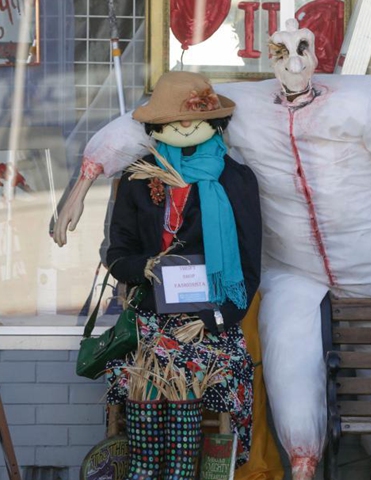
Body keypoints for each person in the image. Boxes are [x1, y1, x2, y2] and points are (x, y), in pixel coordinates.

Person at [55, 20, 371, 480]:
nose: (294, 63)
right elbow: (144, 123)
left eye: (303, 48)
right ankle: (304, 463)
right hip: (293, 268)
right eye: (281, 51)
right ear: (269, 56)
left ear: (318, 51)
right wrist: (85, 177)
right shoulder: (245, 108)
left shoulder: (362, 98)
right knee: (286, 357)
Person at [104, 72, 261, 466]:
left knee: (206, 364)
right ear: (157, 125)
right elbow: (117, 253)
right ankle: (146, 466)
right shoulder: (140, 177)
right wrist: (146, 266)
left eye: (193, 115)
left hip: (209, 317)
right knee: (142, 367)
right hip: (150, 316)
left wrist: (214, 319)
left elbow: (248, 264)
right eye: (175, 118)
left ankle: (187, 468)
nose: (186, 124)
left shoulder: (235, 179)